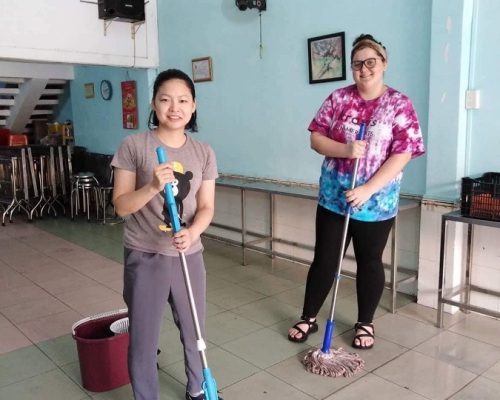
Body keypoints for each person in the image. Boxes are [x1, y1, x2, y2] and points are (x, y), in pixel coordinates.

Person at [288, 34, 425, 349]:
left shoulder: (399, 104)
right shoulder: (338, 98)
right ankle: (309, 317)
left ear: (383, 63)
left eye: (370, 62)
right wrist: (346, 150)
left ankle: (365, 323)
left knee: (370, 261)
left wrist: (368, 189)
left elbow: (403, 152)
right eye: (357, 64)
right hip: (335, 198)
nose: (364, 70)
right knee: (325, 259)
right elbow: (316, 139)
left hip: (376, 202)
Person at [111, 69, 221, 400]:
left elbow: (206, 208)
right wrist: (153, 187)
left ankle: (199, 390)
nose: (175, 107)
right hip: (145, 254)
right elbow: (121, 205)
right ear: (154, 104)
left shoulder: (203, 152)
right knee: (143, 339)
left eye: (183, 100)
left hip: (189, 254)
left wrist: (193, 233)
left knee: (194, 331)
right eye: (166, 99)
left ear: (194, 106)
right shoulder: (134, 145)